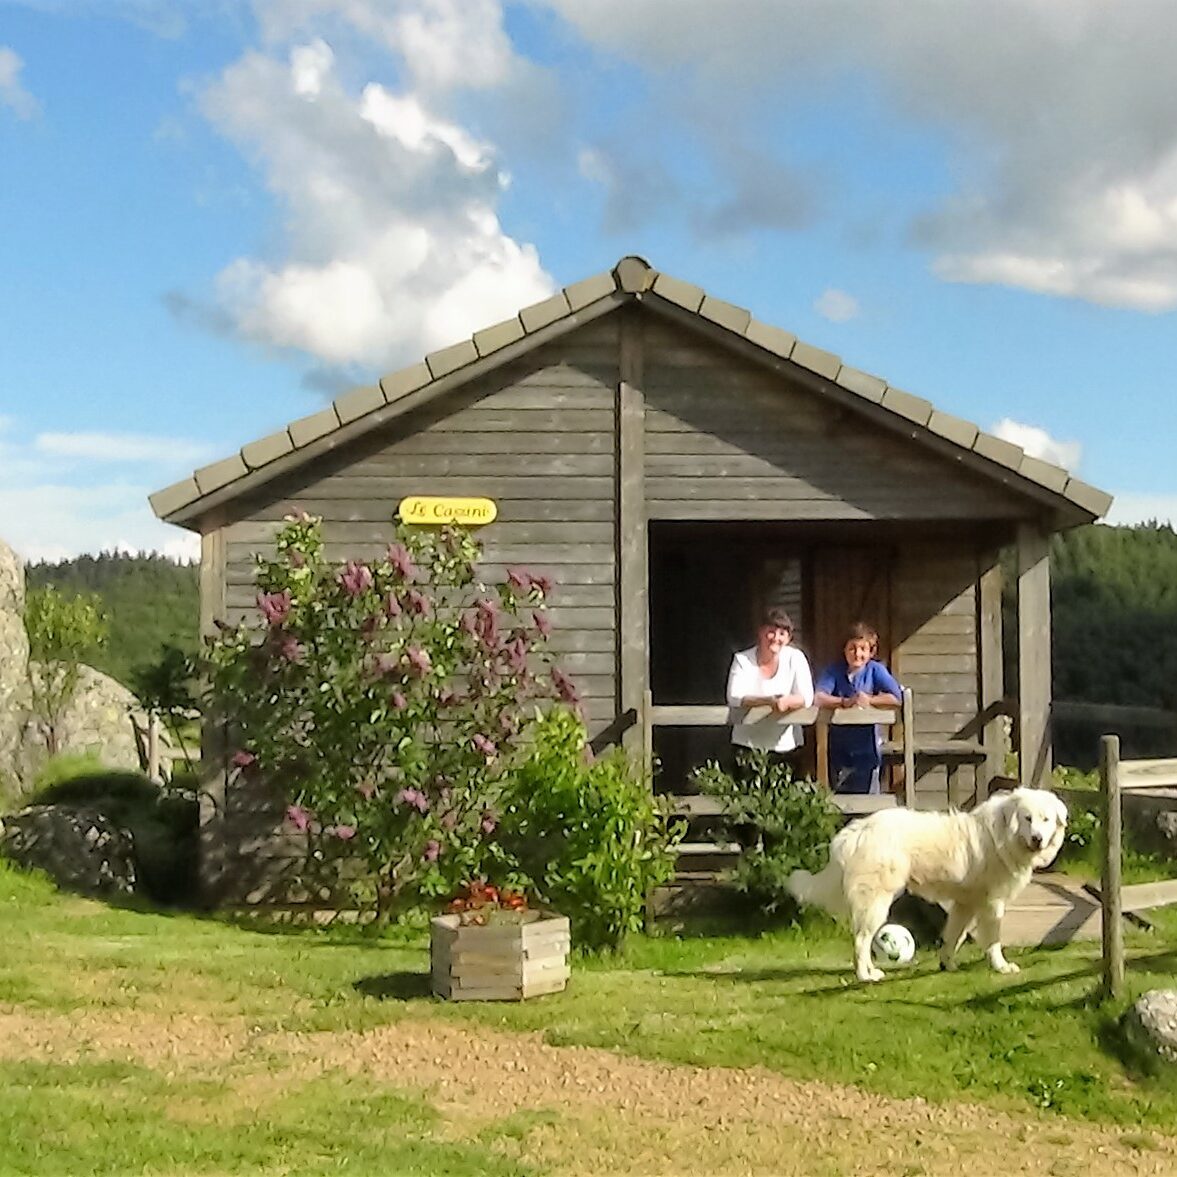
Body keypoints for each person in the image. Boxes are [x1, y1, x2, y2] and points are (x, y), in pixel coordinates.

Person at [814, 622, 902, 795]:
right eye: (852, 648)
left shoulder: (875, 670)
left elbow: (896, 697)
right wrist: (844, 702)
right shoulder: (834, 671)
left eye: (863, 648)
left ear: (871, 652)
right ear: (845, 649)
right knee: (841, 802)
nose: (857, 653)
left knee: (868, 802)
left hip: (867, 751)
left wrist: (869, 699)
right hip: (839, 750)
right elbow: (818, 697)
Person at [725, 607, 815, 774]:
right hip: (747, 745)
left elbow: (807, 697)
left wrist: (786, 701)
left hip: (787, 747)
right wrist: (770, 701)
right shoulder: (742, 659)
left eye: (782, 633)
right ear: (760, 632)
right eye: (771, 631)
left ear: (788, 638)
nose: (776, 638)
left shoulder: (796, 658)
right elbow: (735, 697)